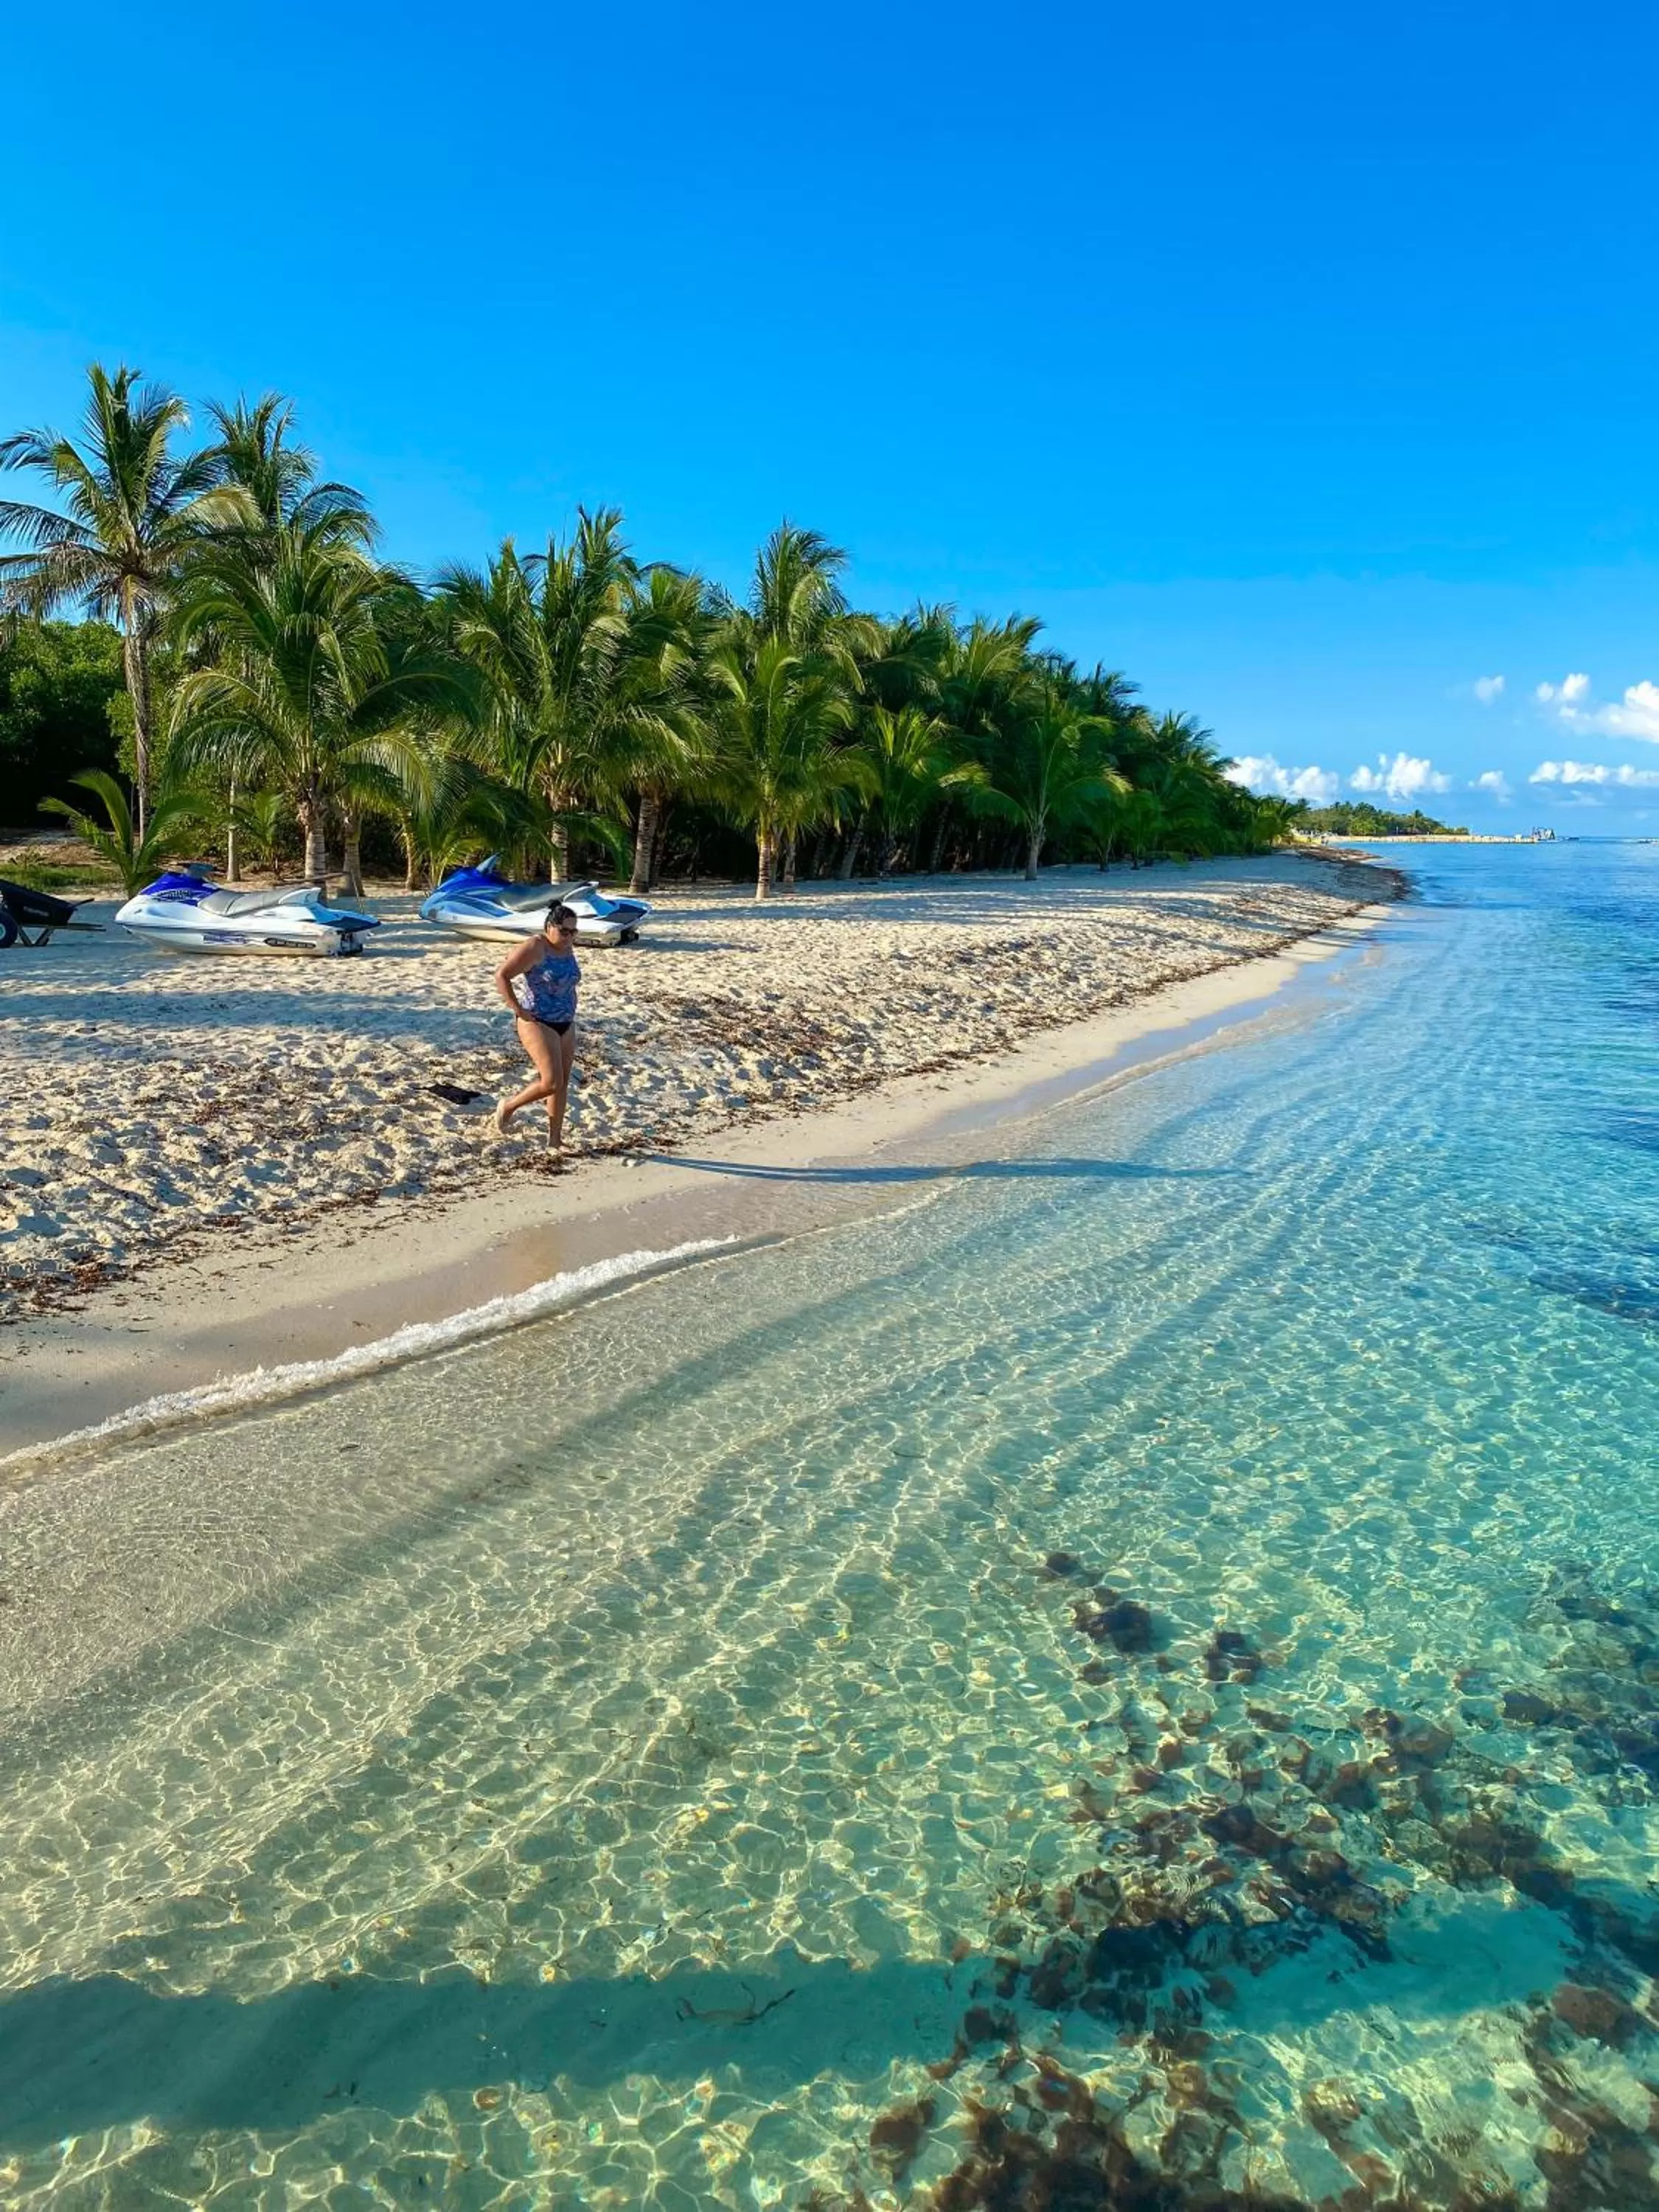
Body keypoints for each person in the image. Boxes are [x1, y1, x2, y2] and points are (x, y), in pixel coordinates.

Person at [494, 904, 581, 1153]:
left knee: (562, 1083)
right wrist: (517, 1009)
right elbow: (502, 975)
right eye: (564, 931)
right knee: (551, 1082)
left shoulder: (567, 948)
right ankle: (509, 1106)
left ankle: (555, 1141)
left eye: (573, 932)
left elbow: (568, 982)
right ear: (549, 927)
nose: (569, 937)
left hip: (566, 1022)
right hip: (537, 1021)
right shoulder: (535, 947)